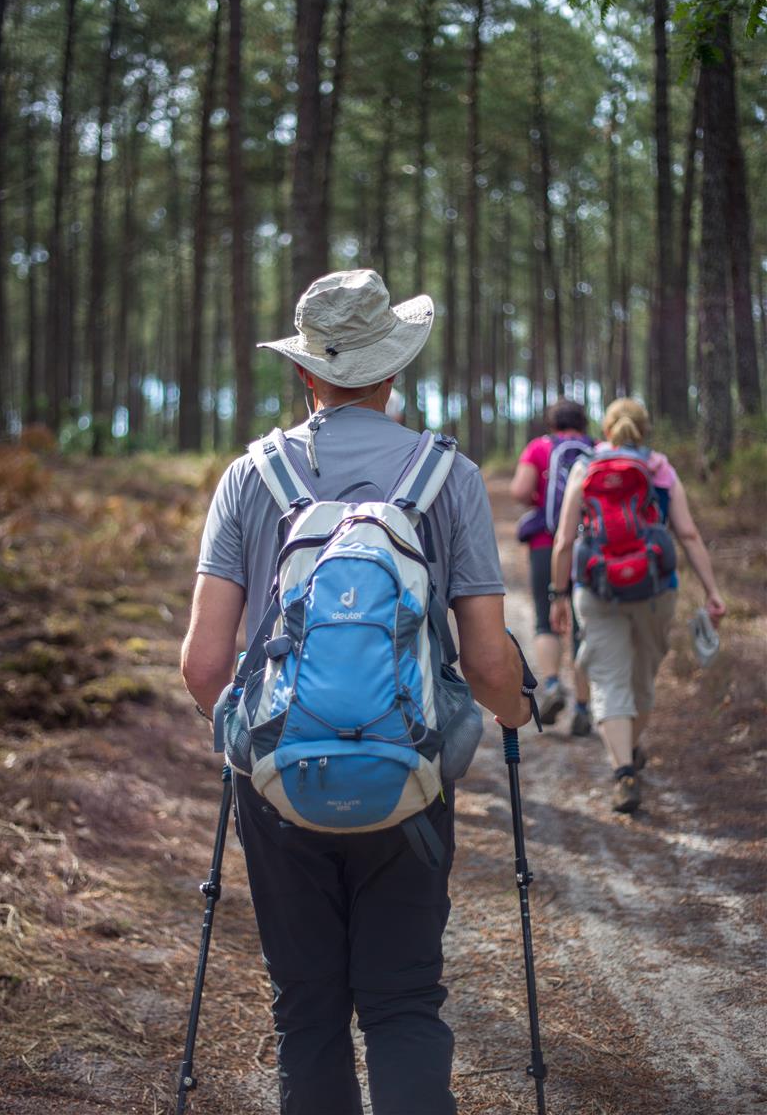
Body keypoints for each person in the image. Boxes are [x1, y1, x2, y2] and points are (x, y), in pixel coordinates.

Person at [181, 268, 529, 1115]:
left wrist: (261, 740)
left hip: (278, 789)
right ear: (394, 368)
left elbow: (202, 665)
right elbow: (487, 663)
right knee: (404, 1003)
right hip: (408, 779)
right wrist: (518, 714)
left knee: (307, 1014)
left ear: (307, 371)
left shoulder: (248, 477)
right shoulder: (448, 476)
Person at [549, 397, 726, 814]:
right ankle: (630, 751)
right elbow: (688, 533)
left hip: (596, 587)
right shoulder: (660, 468)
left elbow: (564, 540)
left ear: (606, 430)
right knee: (643, 680)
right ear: (643, 430)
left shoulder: (585, 466)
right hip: (655, 588)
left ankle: (623, 770)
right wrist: (712, 590)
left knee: (608, 679)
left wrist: (558, 595)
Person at [510, 398, 593, 733]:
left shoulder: (539, 448)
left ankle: (555, 686)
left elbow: (520, 490)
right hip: (588, 548)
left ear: (551, 422)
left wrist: (538, 500)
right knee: (583, 626)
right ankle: (584, 708)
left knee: (547, 619)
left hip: (547, 543)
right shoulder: (596, 449)